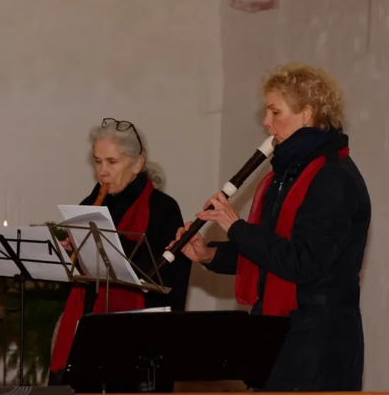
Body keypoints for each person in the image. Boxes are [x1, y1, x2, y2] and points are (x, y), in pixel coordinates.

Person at [171, 63, 370, 391]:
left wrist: (235, 225)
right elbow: (266, 256)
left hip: (318, 347)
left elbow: (301, 262)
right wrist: (208, 254)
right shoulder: (287, 174)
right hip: (279, 336)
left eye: (275, 112)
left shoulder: (333, 178)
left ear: (306, 114)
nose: (266, 123)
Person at [49, 118, 191, 391]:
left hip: (140, 337)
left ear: (137, 164)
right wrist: (73, 255)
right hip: (91, 329)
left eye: (112, 162)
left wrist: (107, 247)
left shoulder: (163, 209)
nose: (102, 172)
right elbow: (83, 278)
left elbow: (169, 277)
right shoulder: (89, 205)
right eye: (97, 161)